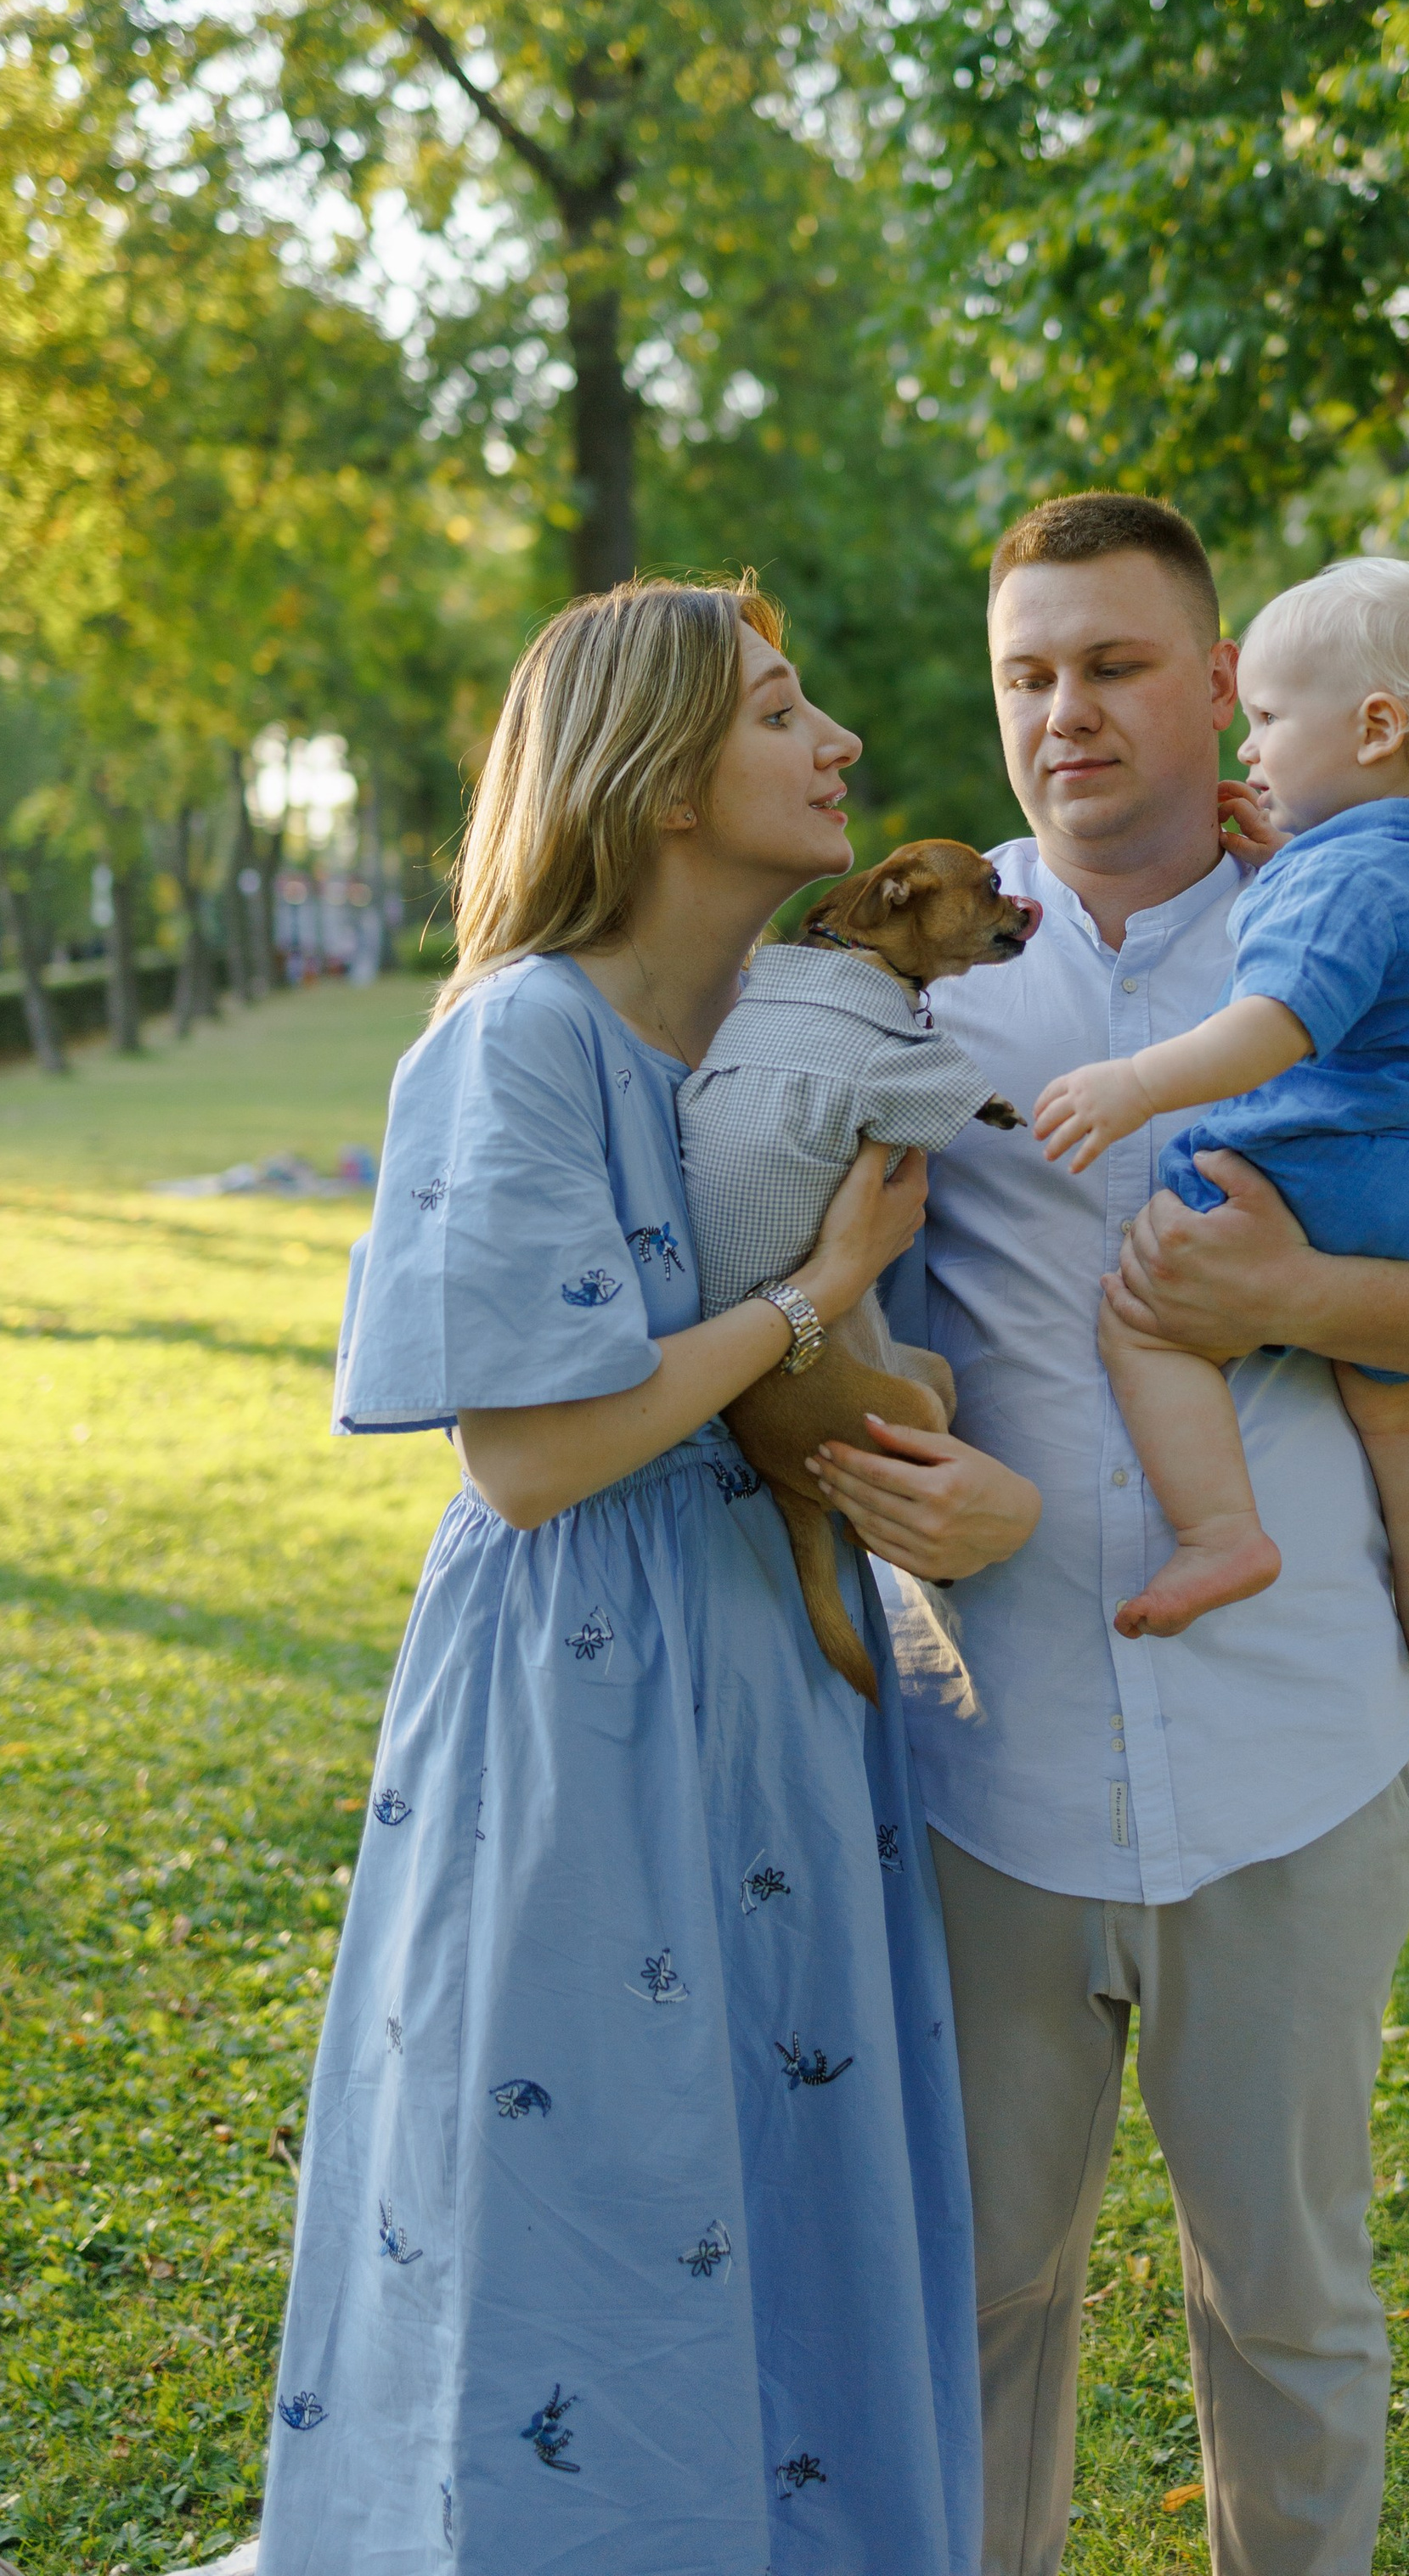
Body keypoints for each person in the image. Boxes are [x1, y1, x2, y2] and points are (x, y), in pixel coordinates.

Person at [806, 495, 1409, 2576]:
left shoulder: (1365, 928)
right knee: (977, 2296)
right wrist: (910, 1484)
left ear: (1216, 693)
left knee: (1287, 2303)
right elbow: (789, 1305)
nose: (1063, 711)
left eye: (1110, 665)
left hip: (1289, 1753)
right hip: (978, 1758)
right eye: (1025, 674)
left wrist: (1303, 1301)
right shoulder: (907, 971)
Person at [256, 577, 1040, 2576]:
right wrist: (812, 1297)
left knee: (778, 2173)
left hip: (778, 1692)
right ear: (663, 781)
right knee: (590, 2184)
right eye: (785, 711)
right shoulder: (520, 1039)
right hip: (583, 1695)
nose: (841, 742)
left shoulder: (785, 1047)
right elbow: (528, 1453)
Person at [1031, 556, 1409, 1682]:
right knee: (1407, 1413)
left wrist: (1136, 1087)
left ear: (1374, 729)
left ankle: (1222, 1533)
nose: (1248, 747)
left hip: (1325, 1169)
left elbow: (1274, 1026)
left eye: (1266, 717)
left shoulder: (1331, 884)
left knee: (1147, 1324)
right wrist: (1292, 863)